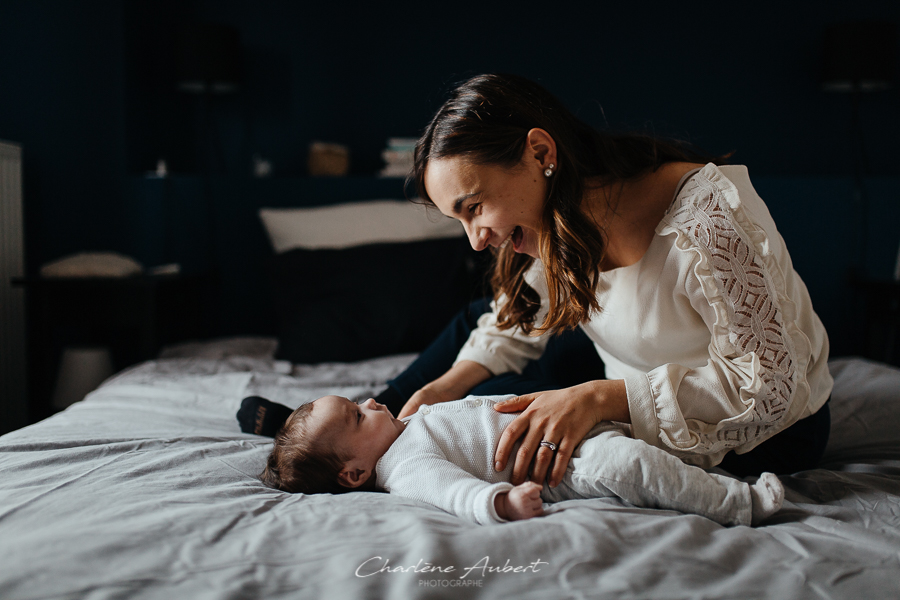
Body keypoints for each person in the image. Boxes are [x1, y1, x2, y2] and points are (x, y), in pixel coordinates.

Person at [241, 72, 833, 486]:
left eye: (474, 207)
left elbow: (771, 390)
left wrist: (598, 397)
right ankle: (371, 426)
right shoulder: (561, 221)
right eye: (459, 220)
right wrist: (445, 387)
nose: (475, 240)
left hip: (764, 437)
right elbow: (508, 327)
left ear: (539, 152)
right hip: (630, 390)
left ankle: (354, 430)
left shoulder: (708, 217)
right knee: (500, 343)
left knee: (539, 377)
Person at [258, 394, 785, 526]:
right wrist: (501, 501)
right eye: (356, 416)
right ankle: (740, 504)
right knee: (629, 466)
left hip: (568, 427)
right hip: (561, 469)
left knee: (659, 446)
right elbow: (451, 492)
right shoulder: (404, 465)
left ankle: (714, 476)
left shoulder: (408, 426)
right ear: (355, 473)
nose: (372, 402)